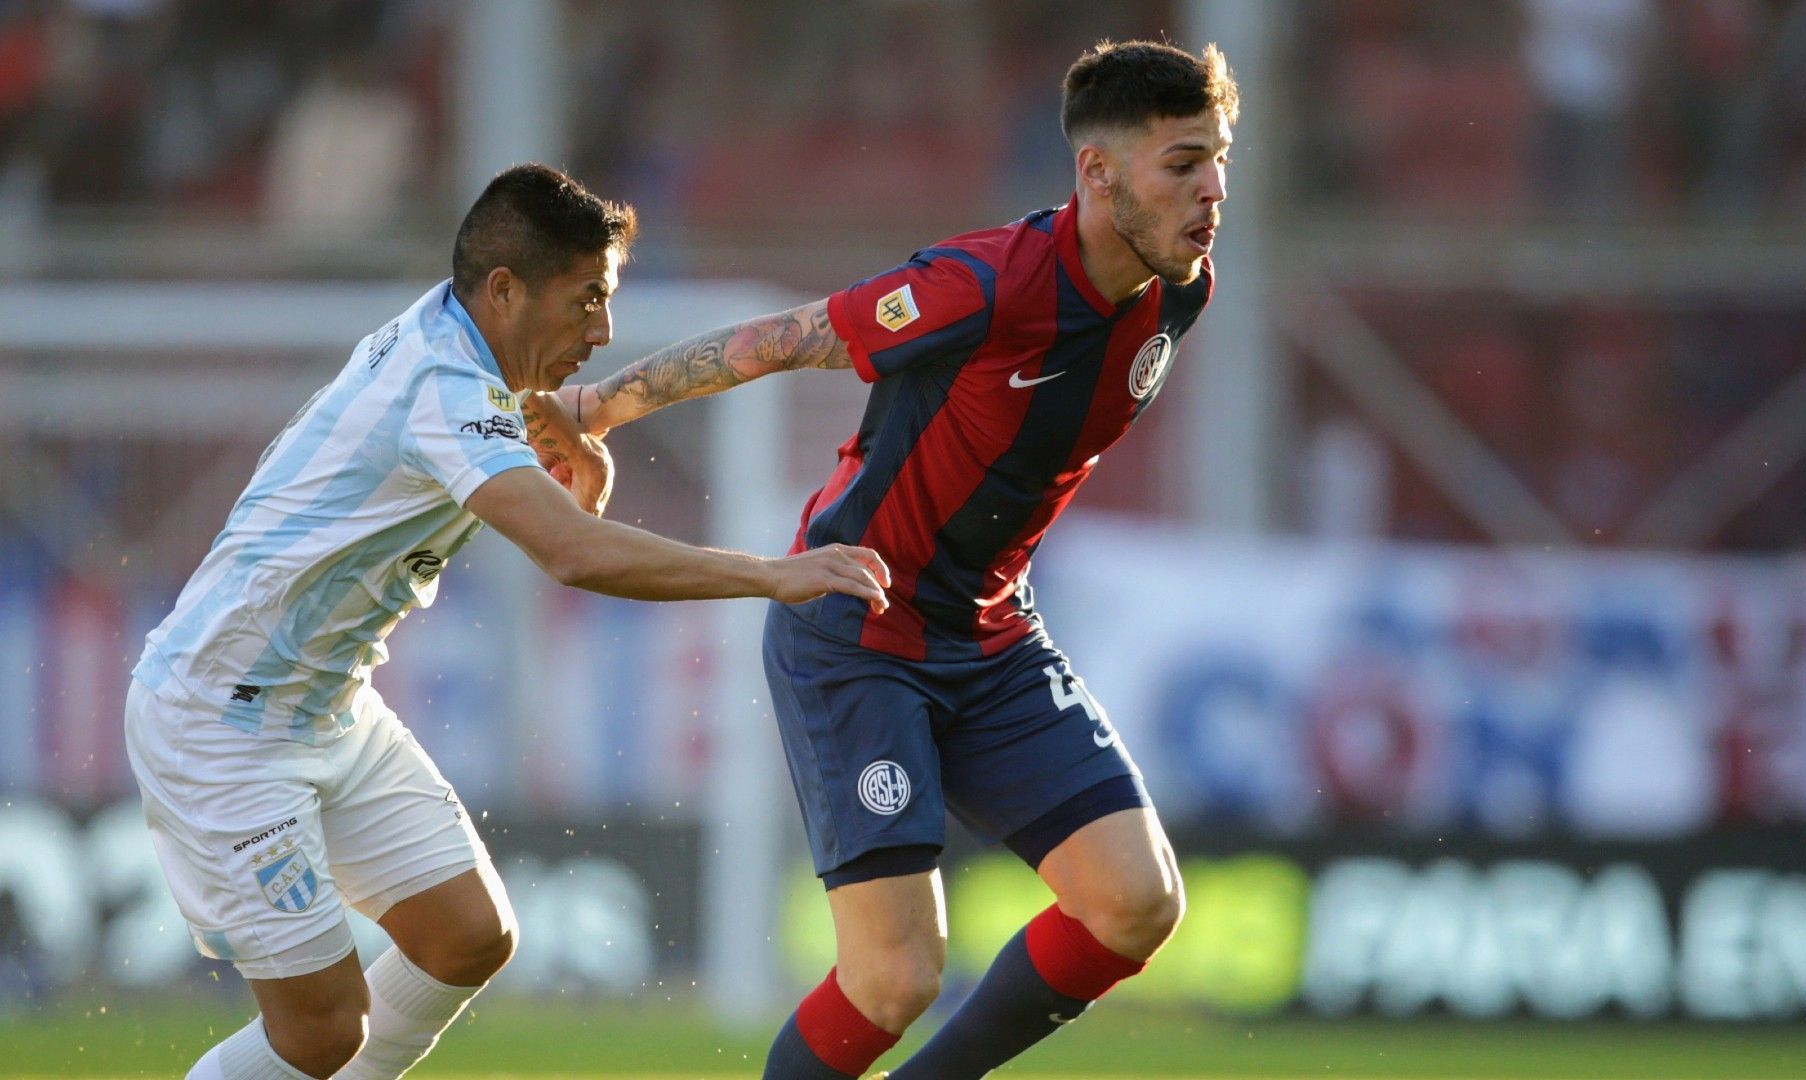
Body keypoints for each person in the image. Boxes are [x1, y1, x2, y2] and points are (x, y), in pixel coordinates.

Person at [553, 40, 1236, 1079]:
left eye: (1218, 160)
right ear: (1097, 172)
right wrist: (600, 406)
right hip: (856, 629)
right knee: (895, 977)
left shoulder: (1179, 290)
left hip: (992, 633)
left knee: (1137, 902)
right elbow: (787, 338)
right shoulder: (986, 284)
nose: (1212, 191)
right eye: (1183, 163)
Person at [126, 163, 890, 1080]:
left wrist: (568, 455)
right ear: (503, 290)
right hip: (221, 725)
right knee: (323, 1034)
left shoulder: (456, 344)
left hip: (324, 708)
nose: (601, 331)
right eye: (587, 301)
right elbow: (573, 555)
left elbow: (527, 462)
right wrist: (775, 574)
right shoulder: (445, 388)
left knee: (468, 938)